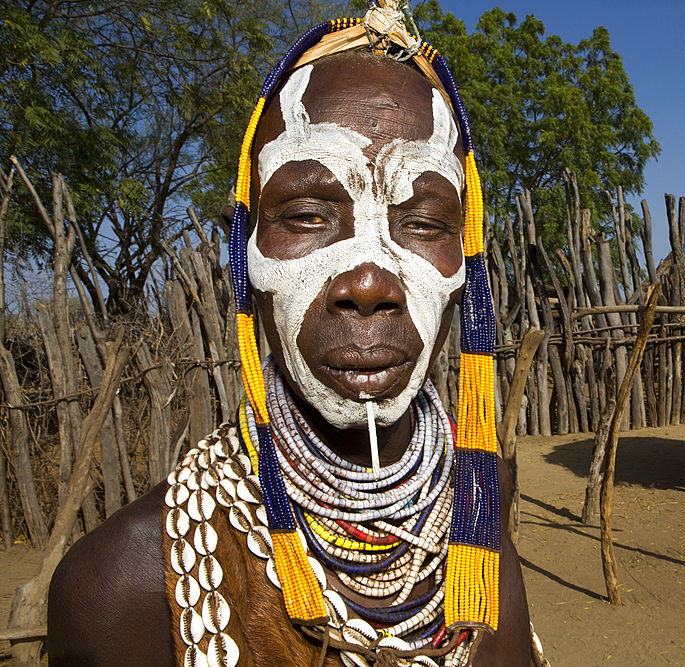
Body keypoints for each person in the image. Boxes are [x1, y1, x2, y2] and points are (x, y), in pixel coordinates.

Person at [47, 3, 536, 665]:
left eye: (422, 221)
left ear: (465, 259)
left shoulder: (481, 504)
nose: (369, 281)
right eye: (307, 213)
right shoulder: (121, 589)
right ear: (245, 250)